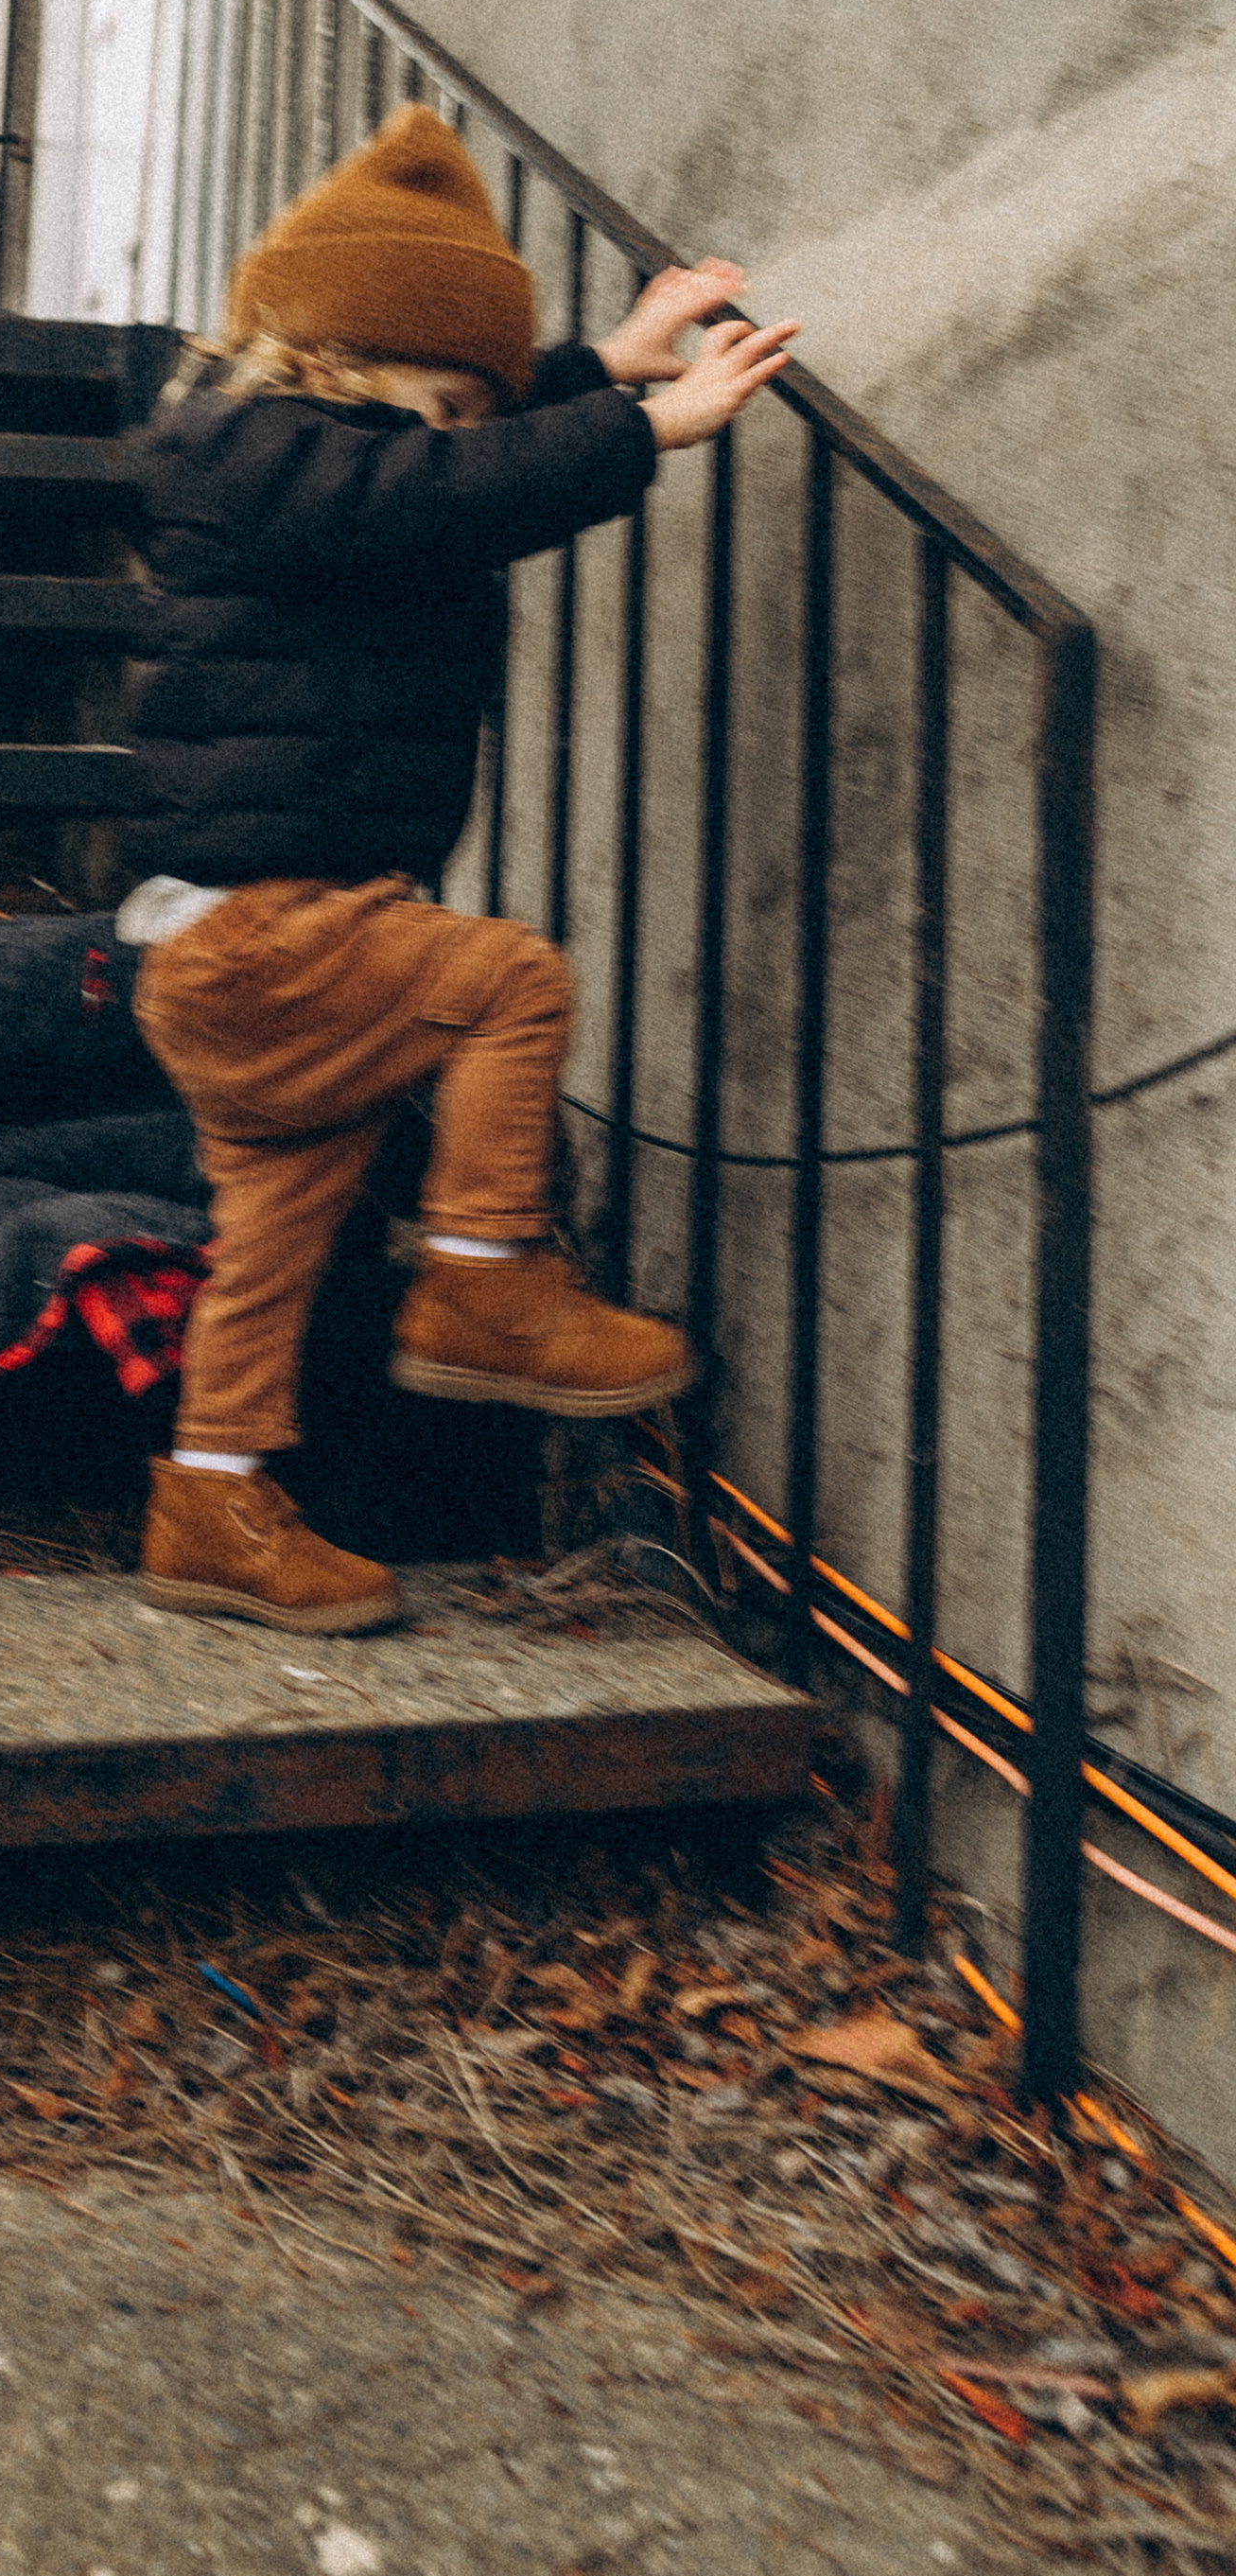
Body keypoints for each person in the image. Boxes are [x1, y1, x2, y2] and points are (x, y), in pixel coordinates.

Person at [123, 106, 797, 1638]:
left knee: (277, 1229)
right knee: (508, 980)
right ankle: (484, 1280)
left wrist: (607, 364)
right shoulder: (244, 451)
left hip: (261, 936)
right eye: (443, 399)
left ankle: (211, 1500)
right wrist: (643, 432)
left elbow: (443, 457)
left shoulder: (318, 446)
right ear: (337, 355)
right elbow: (427, 488)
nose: (457, 434)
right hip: (261, 934)